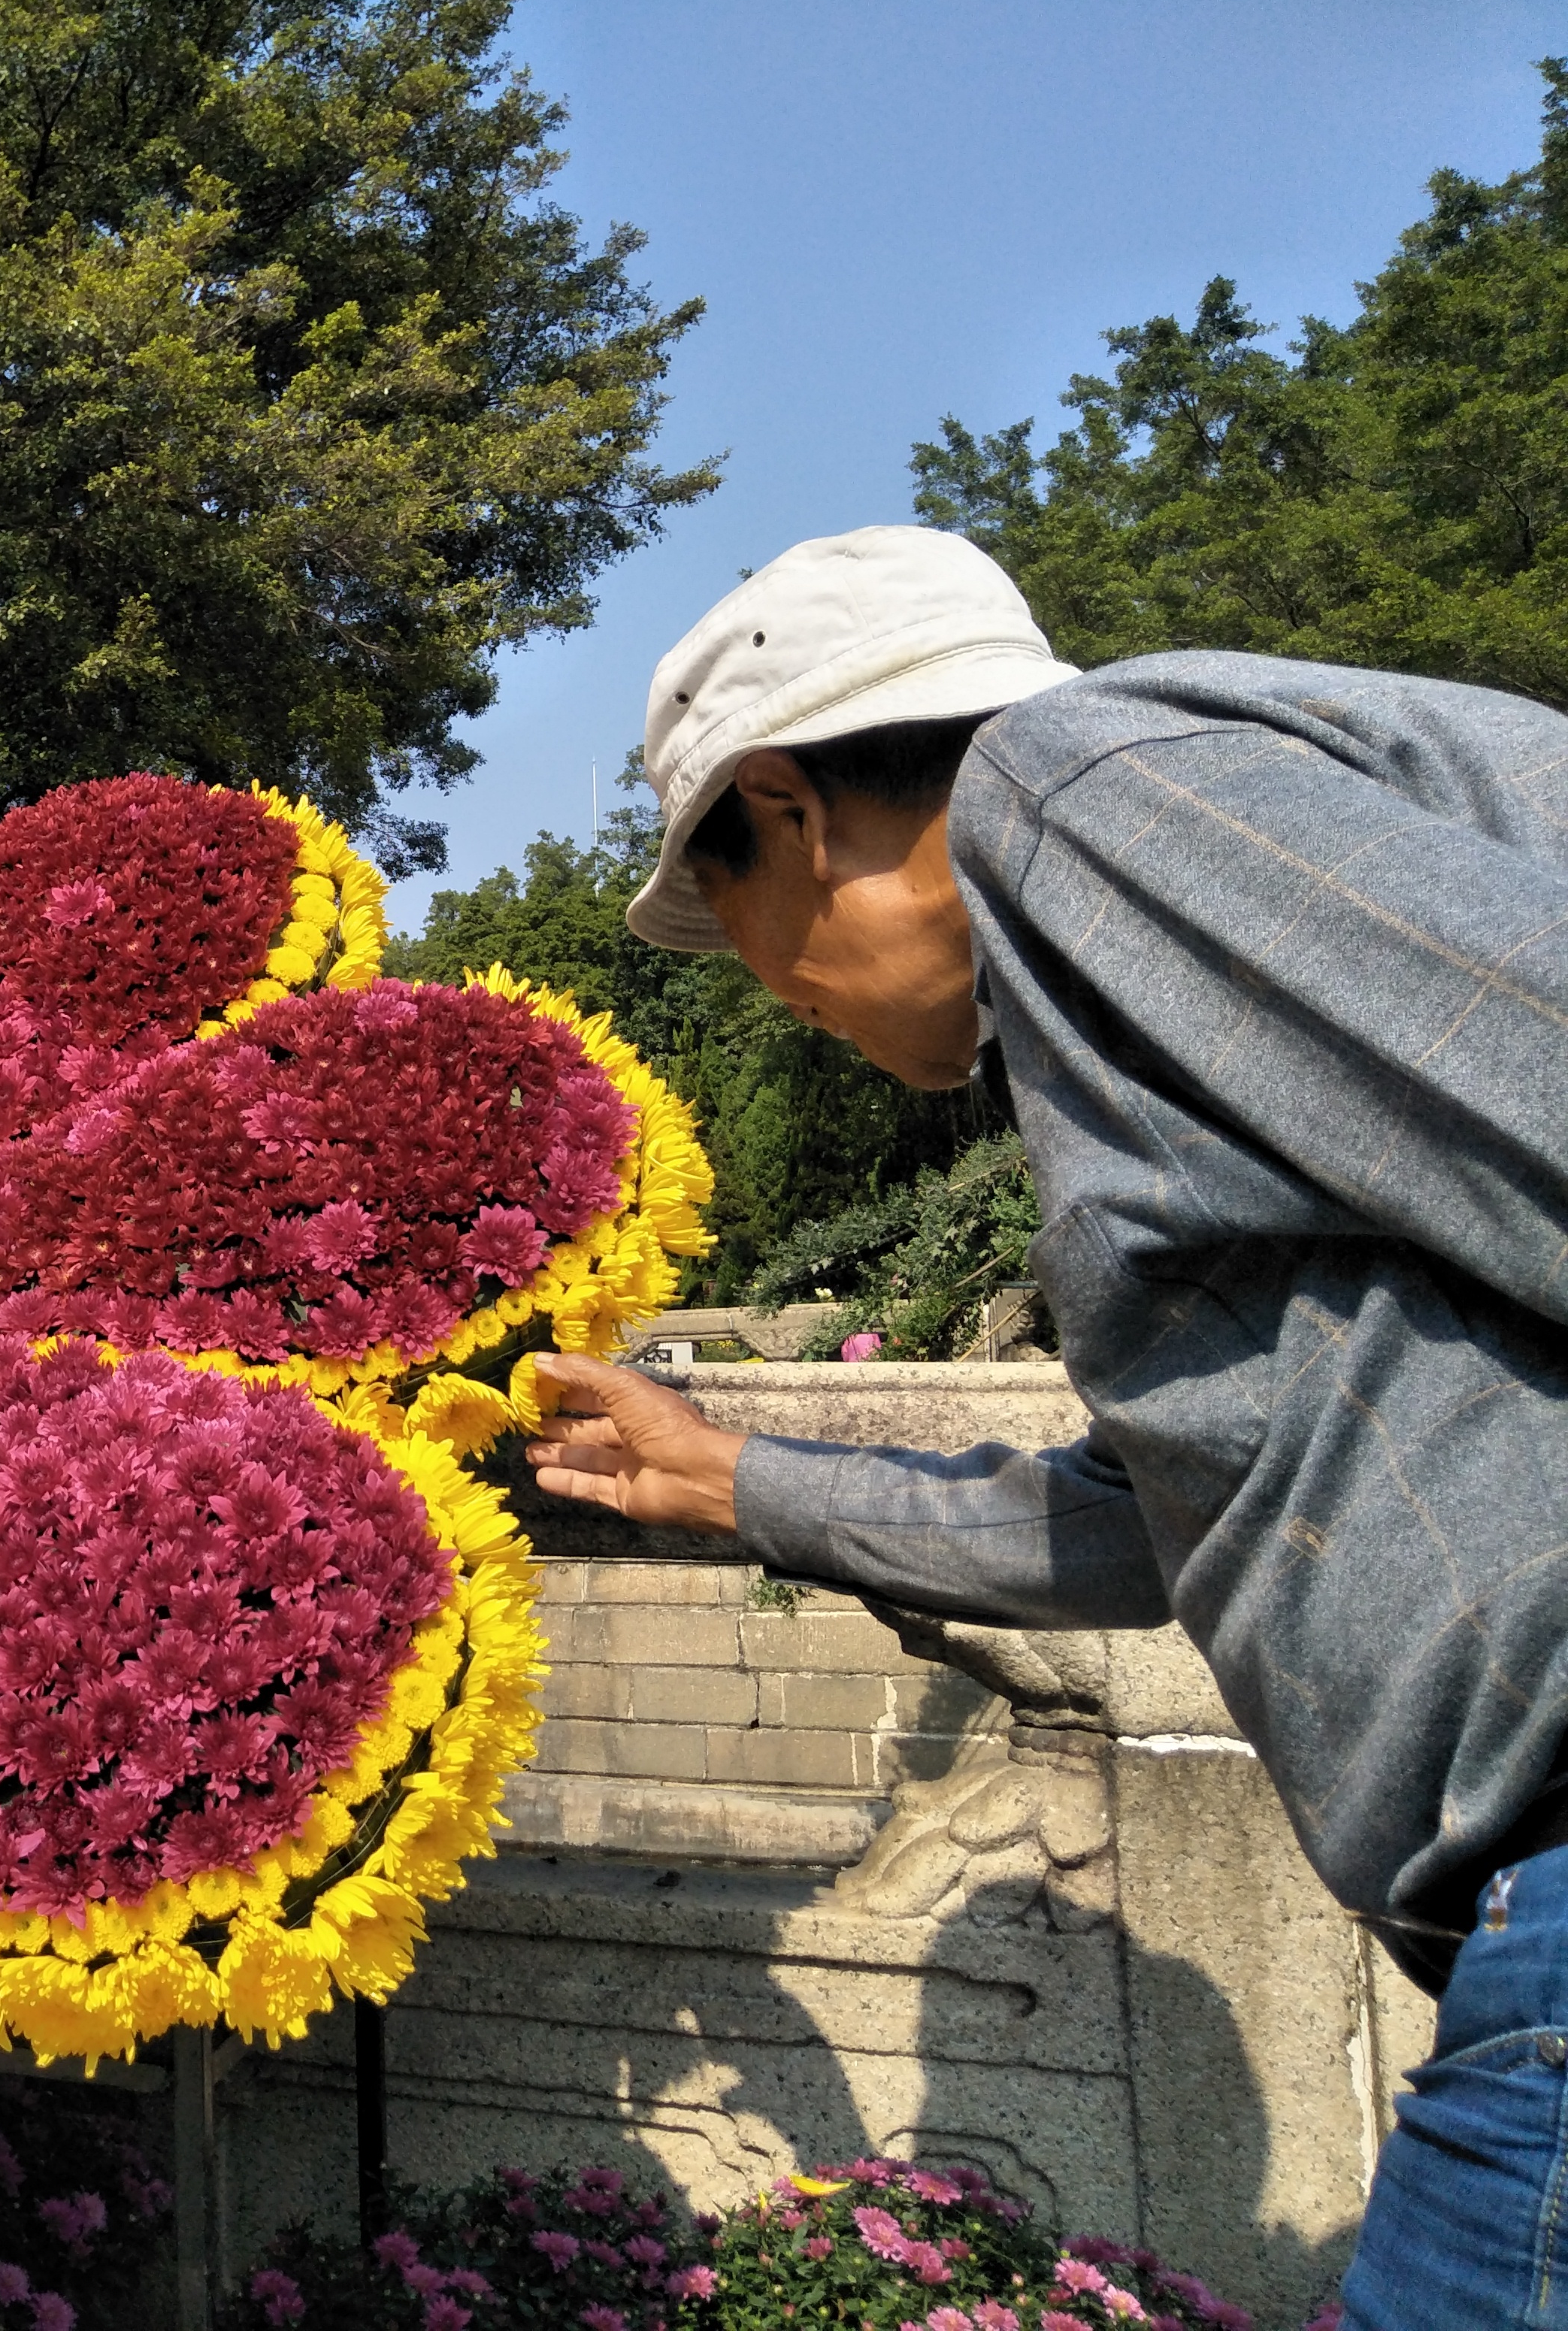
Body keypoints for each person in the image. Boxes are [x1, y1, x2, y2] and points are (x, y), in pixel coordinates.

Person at [518, 524, 1568, 2328]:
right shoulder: (1123, 960)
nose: (765, 983)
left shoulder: (1069, 788)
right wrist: (746, 1482)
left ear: (786, 806)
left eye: (737, 920)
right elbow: (1181, 1517)